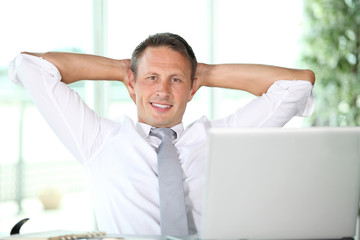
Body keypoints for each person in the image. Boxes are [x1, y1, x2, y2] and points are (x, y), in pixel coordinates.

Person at [9, 32, 315, 235]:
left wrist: (204, 73)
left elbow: (298, 85)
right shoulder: (98, 140)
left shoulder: (222, 139)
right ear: (132, 84)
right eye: (151, 77)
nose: (163, 91)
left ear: (193, 87)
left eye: (177, 80)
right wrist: (120, 69)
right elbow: (29, 65)